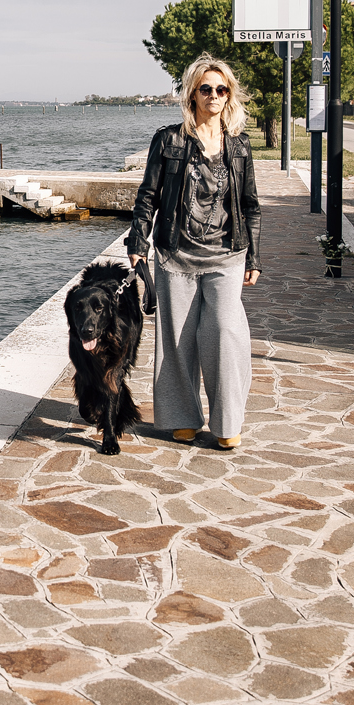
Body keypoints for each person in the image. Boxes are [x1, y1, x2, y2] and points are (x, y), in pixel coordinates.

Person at [126, 55, 261, 450]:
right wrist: (138, 244)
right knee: (176, 340)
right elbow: (147, 197)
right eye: (206, 89)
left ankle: (227, 421)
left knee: (224, 333)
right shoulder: (169, 140)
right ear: (193, 94)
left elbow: (250, 204)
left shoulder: (239, 146)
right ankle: (182, 417)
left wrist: (253, 256)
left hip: (226, 255)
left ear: (229, 95)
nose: (214, 96)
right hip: (176, 254)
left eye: (222, 89)